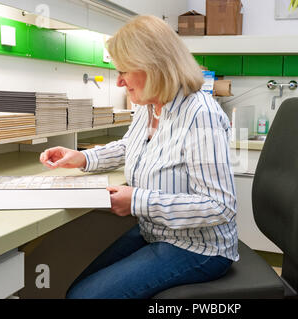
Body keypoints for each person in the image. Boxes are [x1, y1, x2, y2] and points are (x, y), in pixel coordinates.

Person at [39, 15, 238, 299]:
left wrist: (136, 200)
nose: (119, 81)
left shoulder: (200, 114)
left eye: (124, 71)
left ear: (154, 67)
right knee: (75, 286)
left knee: (83, 297)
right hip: (155, 232)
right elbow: (128, 146)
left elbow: (220, 206)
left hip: (199, 247)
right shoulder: (151, 105)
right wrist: (82, 158)